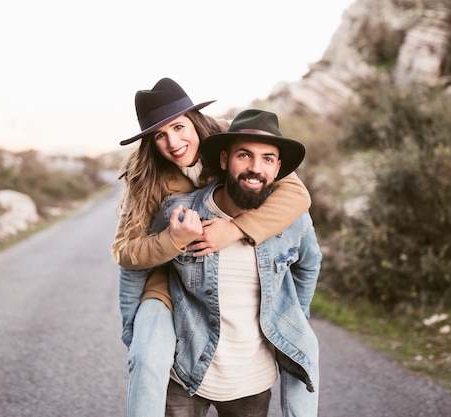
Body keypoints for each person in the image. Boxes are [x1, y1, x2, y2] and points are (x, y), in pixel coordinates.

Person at [112, 78, 313, 417]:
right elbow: (127, 252)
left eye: (178, 127)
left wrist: (234, 229)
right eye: (160, 134)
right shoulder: (147, 174)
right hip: (168, 280)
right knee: (147, 355)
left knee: (307, 346)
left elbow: (296, 194)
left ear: (194, 119)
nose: (173, 142)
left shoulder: (235, 143)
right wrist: (173, 240)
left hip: (231, 257)